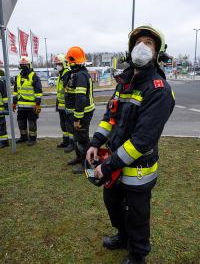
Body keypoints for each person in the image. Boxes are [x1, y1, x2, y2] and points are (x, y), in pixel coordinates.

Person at [86, 25, 175, 264]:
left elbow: (142, 140)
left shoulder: (159, 90)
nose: (142, 47)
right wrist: (96, 143)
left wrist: (108, 165)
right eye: (138, 42)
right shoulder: (124, 82)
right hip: (114, 164)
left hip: (138, 170)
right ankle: (122, 237)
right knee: (113, 204)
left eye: (148, 42)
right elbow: (110, 118)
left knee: (136, 214)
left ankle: (137, 255)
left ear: (157, 52)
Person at [64, 46, 95, 174]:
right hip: (78, 112)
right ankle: (79, 158)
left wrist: (77, 118)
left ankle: (87, 163)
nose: (69, 64)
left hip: (82, 113)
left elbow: (80, 99)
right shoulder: (76, 74)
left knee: (82, 139)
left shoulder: (81, 76)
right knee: (77, 137)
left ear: (75, 62)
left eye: (70, 62)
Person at [13, 56, 43, 146]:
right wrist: (14, 103)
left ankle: (33, 139)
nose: (23, 67)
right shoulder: (18, 77)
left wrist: (37, 104)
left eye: (25, 65)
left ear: (29, 65)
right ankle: (23, 137)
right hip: (21, 106)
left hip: (32, 106)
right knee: (20, 121)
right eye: (21, 65)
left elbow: (38, 92)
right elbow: (15, 91)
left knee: (32, 123)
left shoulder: (34, 76)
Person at [54, 54, 74, 151]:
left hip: (68, 105)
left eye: (59, 64)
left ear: (64, 64)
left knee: (69, 125)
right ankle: (65, 141)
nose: (57, 65)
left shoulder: (67, 74)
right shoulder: (61, 74)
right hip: (61, 104)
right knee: (63, 125)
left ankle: (72, 143)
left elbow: (68, 90)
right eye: (57, 64)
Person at [0, 68, 9, 148]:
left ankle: (4, 142)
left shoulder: (0, 82)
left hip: (0, 109)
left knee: (1, 126)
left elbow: (5, 96)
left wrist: (6, 107)